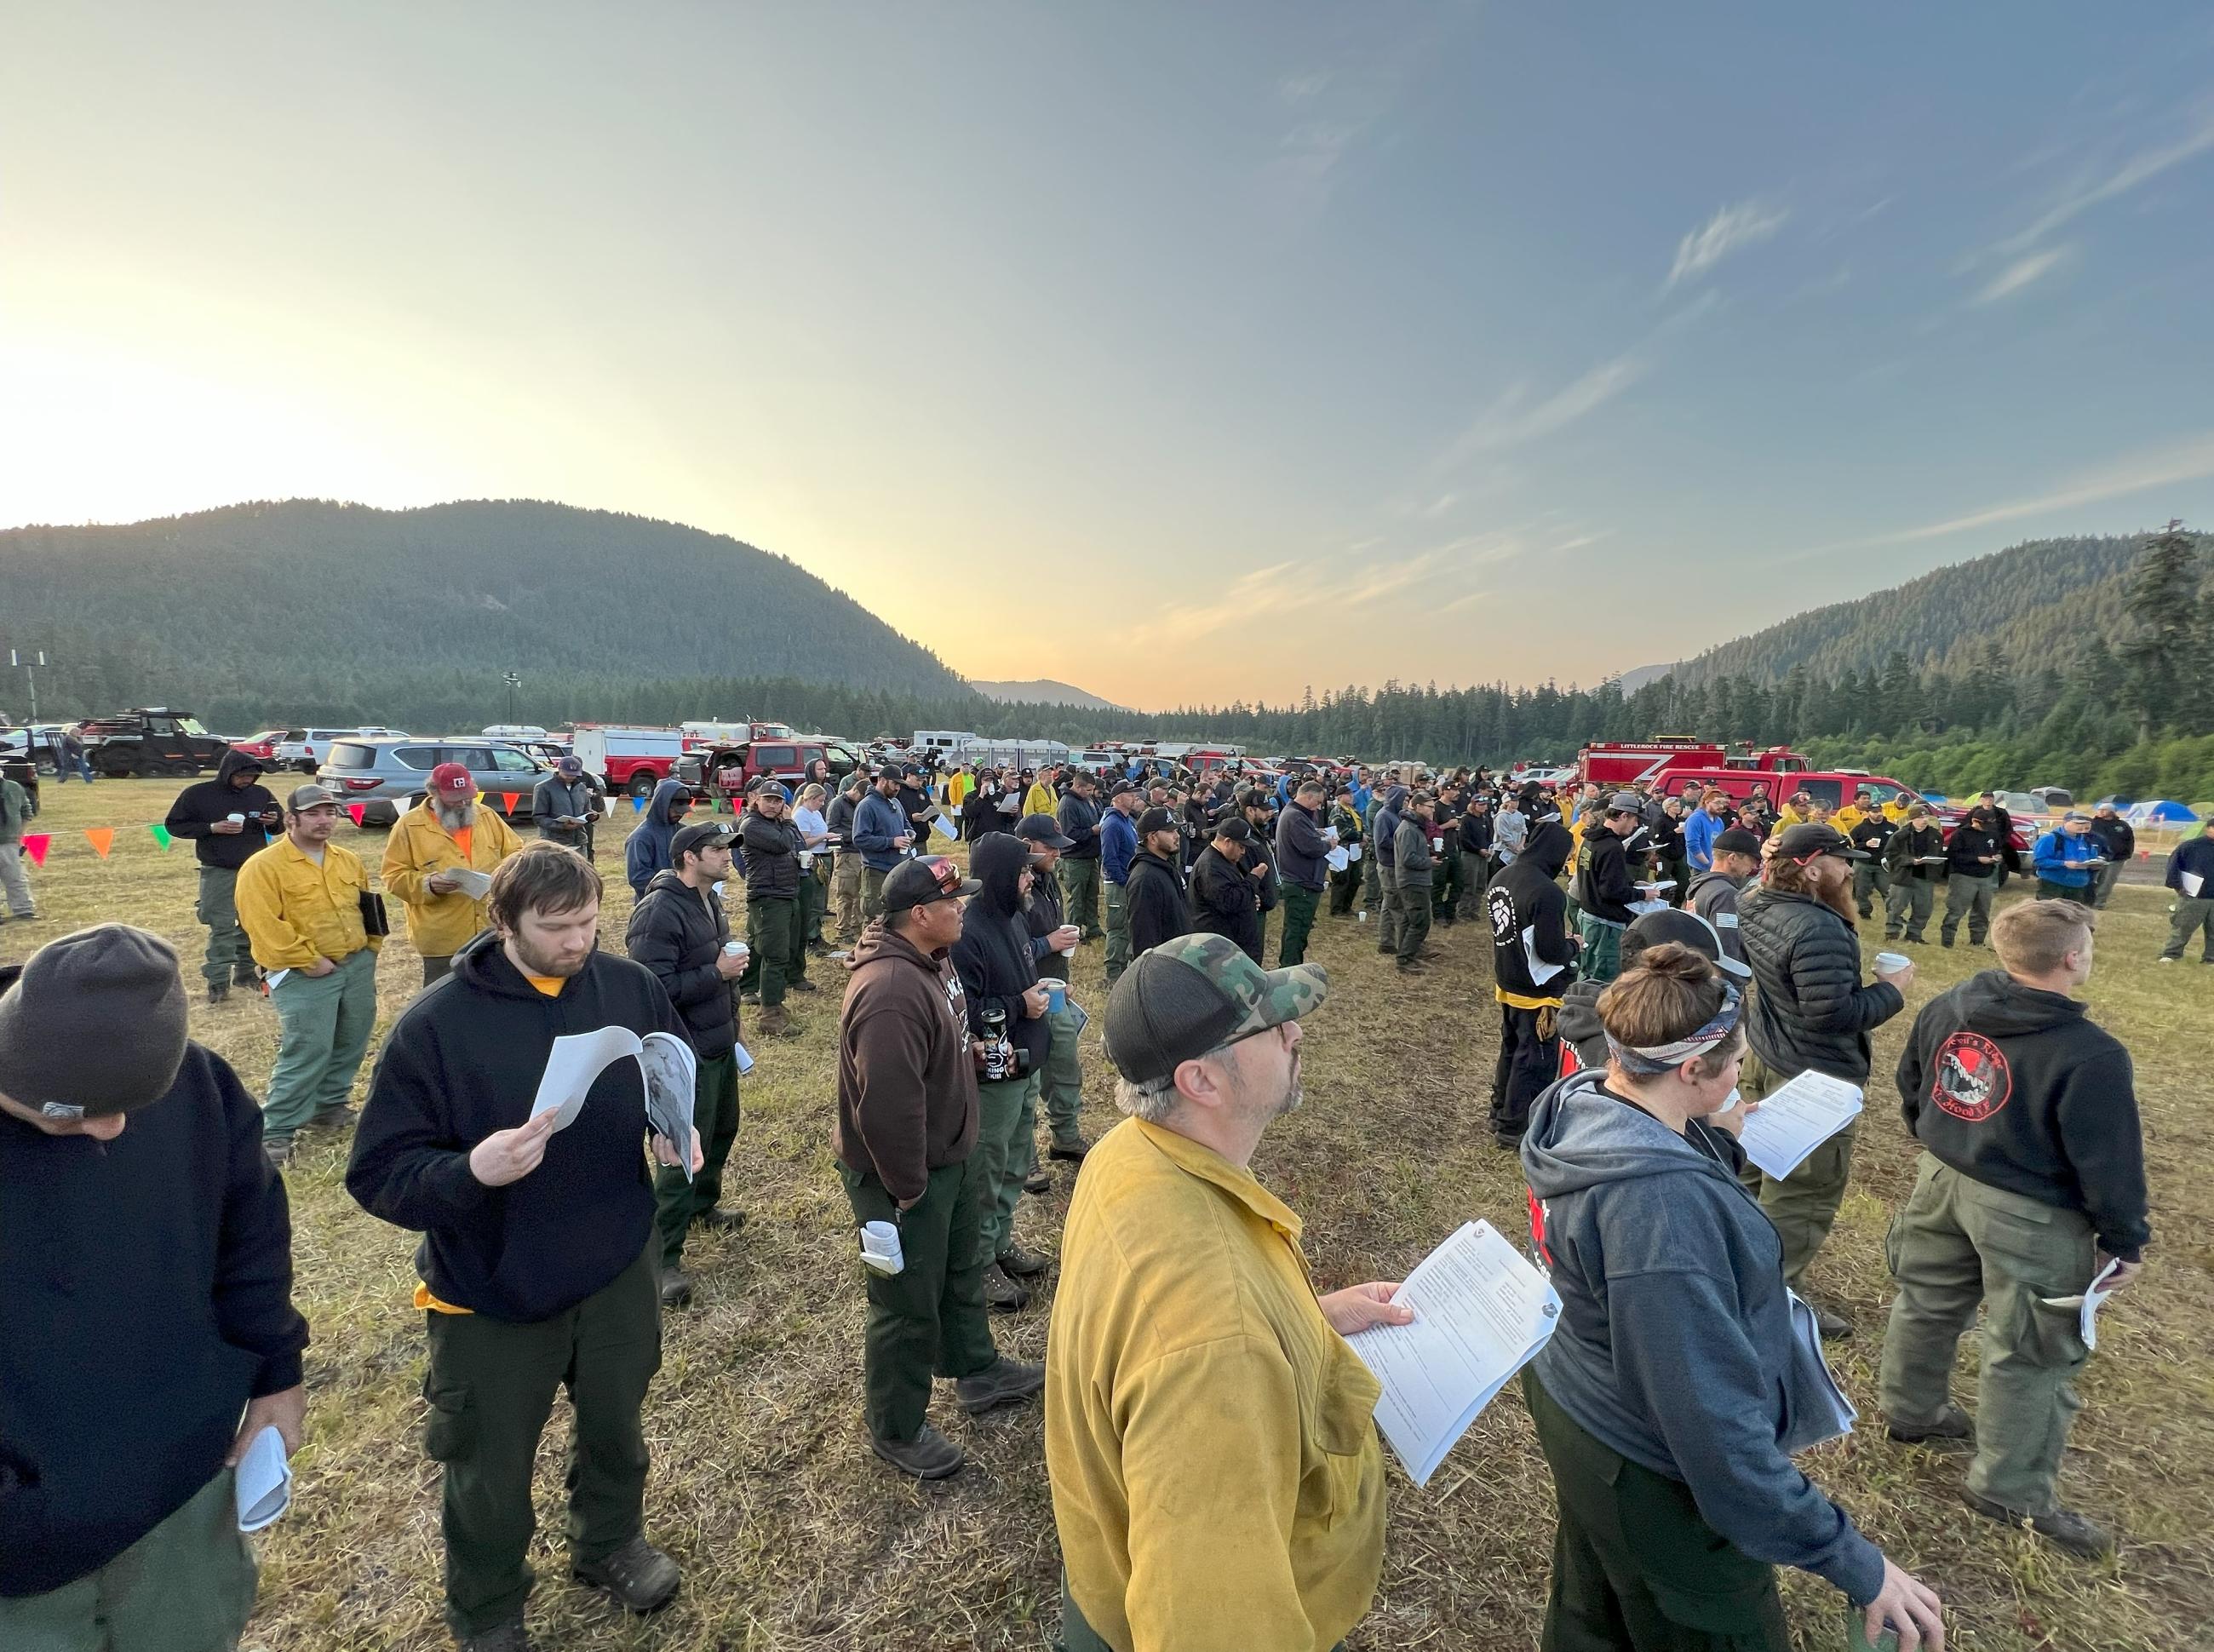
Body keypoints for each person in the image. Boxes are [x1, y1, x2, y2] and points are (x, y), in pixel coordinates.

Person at [1520, 945, 1947, 1652]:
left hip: (1582, 1405)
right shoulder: (1660, 1213)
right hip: (1648, 1469)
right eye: (1737, 1061)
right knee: (1712, 1625)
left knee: (1599, 1605)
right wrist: (1858, 1565)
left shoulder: (1591, 1099)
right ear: (1691, 1070)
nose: (1744, 1073)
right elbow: (1710, 1426)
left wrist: (1708, 1135)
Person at [347, 844, 700, 1648]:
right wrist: (472, 1167)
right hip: (493, 1286)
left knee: (617, 1424)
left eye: (589, 922)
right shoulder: (437, 1025)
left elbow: (664, 1065)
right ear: (503, 922)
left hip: (615, 1261)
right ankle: (489, 1605)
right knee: (489, 1466)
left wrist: (671, 1128)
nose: (578, 943)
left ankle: (608, 1544)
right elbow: (378, 1173)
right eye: (556, 928)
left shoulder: (626, 985)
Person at [1047, 933, 1405, 1652]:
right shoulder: (1217, 1352)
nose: (1296, 1033)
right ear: (1200, 1082)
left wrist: (1308, 1321)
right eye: (1272, 1027)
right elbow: (1212, 1621)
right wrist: (1246, 1340)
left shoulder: (1131, 1152)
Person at [0, 925, 310, 1652]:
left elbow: (252, 1241)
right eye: (73, 1115)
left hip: (179, 1495)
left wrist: (277, 1372)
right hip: (21, 1551)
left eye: (135, 1108)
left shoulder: (199, 1087)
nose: (111, 1130)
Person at [1879, 898, 2146, 1561]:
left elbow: (1912, 1082)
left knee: (1927, 1299)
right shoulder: (2091, 1054)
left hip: (1942, 1179)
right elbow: (2109, 1159)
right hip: (2029, 1210)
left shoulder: (1950, 1004)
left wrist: (1939, 1138)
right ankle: (2011, 1488)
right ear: (2071, 958)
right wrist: (2125, 1239)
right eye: (2085, 942)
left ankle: (1910, 1409)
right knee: (2032, 1344)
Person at [834, 855, 1045, 1480]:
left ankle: (976, 1369)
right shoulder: (891, 992)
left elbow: (942, 1045)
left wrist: (972, 1053)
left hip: (950, 1155)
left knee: (960, 1270)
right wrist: (906, 1191)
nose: (964, 910)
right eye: (953, 903)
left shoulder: (934, 957)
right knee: (905, 1303)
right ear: (919, 915)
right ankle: (895, 1426)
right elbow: (886, 1109)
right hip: (906, 1174)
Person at [1740, 823, 1912, 1335]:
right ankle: (1769, 1305)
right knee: (1799, 1195)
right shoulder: (1817, 929)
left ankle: (1734, 1276)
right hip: (1812, 1079)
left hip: (1766, 1057)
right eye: (1842, 861)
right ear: (1813, 869)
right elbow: (1831, 1013)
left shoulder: (1756, 902)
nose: (1850, 870)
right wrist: (1892, 989)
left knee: (1751, 1176)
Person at [625, 820, 749, 1310]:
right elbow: (650, 990)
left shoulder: (710, 899)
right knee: (681, 1152)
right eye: (717, 849)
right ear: (689, 858)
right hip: (681, 1051)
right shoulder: (658, 911)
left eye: (726, 848)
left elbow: (719, 971)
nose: (725, 856)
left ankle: (704, 1205)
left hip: (716, 1039)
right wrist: (713, 973)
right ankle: (661, 1258)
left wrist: (735, 1016)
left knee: (721, 1129)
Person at [235, 784, 382, 1168]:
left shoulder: (347, 860)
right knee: (307, 1048)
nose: (324, 821)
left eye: (330, 813)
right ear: (291, 819)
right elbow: (263, 926)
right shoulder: (263, 867)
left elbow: (366, 906)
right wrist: (309, 961)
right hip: (305, 972)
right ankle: (276, 1130)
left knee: (352, 1040)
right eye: (314, 813)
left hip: (355, 965)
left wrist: (370, 949)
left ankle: (329, 1107)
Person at [953, 832, 1055, 1312]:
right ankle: (978, 1262)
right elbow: (964, 1009)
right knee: (987, 1169)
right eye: (1022, 871)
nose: (1031, 877)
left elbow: (1021, 969)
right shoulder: (968, 931)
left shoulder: (1015, 918)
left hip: (1026, 1059)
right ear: (999, 878)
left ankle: (999, 1242)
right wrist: (1020, 1004)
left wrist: (1041, 988)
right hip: (995, 1069)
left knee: (1015, 1163)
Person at [1556, 905, 1754, 1073]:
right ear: (1669, 977)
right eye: (1707, 980)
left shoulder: (1593, 1015)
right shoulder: (1638, 1058)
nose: (1714, 992)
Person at [385, 762, 525, 987]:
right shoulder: (409, 825)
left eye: (467, 795)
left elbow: (517, 852)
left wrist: (505, 875)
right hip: (442, 937)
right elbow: (393, 877)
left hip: (491, 927)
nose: (462, 802)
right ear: (433, 793)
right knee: (444, 998)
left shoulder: (487, 816)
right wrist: (428, 884)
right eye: (454, 797)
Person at [163, 749, 283, 1001]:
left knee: (252, 923)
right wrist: (211, 828)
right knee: (222, 925)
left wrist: (272, 821)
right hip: (218, 869)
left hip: (254, 869)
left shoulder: (260, 794)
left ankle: (246, 973)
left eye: (252, 776)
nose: (247, 781)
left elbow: (279, 824)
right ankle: (218, 982)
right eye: (242, 776)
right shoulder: (198, 794)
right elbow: (174, 825)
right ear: (228, 772)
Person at [1487, 819, 1576, 1149]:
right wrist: (1573, 945)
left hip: (1508, 977)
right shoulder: (1547, 892)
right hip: (1538, 991)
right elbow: (1551, 952)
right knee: (1535, 1058)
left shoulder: (1502, 875)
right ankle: (1515, 1127)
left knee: (1510, 1048)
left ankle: (1500, 1111)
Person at [1016, 813, 1090, 1181]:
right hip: (1024, 999)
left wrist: (1064, 978)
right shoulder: (1015, 888)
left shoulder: (1047, 882)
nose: (1057, 854)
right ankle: (1024, 1156)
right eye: (1050, 848)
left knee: (1065, 1067)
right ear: (1027, 845)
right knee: (1026, 1081)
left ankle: (1066, 1138)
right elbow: (1008, 949)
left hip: (1055, 992)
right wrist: (1049, 943)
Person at [737, 778, 811, 1035]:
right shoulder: (752, 825)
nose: (772, 805)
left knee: (779, 949)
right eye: (768, 799)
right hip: (768, 896)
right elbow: (782, 844)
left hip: (785, 893)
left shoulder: (775, 824)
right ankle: (769, 1014)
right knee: (775, 954)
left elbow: (792, 845)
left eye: (778, 801)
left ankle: (773, 1003)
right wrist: (790, 822)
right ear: (757, 799)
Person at [1570, 792, 1643, 983]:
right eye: (1635, 819)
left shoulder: (1590, 840)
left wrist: (1632, 883)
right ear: (1623, 816)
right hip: (1605, 924)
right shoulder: (1612, 847)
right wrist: (1643, 893)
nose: (1636, 825)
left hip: (1588, 915)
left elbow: (1597, 876)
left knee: (1586, 968)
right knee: (1602, 979)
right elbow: (1611, 891)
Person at [1188, 814, 1265, 964]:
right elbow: (1229, 902)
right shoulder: (1211, 866)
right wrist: (1253, 879)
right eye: (1241, 847)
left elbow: (1232, 892)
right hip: (1223, 954)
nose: (1243, 852)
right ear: (1228, 842)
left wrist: (1249, 899)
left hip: (1234, 947)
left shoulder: (1224, 860)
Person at [1686, 826, 1764, 970]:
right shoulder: (1725, 894)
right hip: (1718, 980)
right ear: (1732, 858)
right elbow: (1726, 947)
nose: (1754, 866)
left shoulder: (1701, 886)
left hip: (1700, 969)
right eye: (1751, 860)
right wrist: (1731, 986)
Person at [1273, 777, 1332, 967]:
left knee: (1298, 930)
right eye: (1318, 802)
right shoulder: (1296, 817)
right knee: (1296, 931)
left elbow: (1306, 839)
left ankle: (1291, 965)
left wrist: (1316, 832)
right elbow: (1310, 848)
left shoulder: (1296, 815)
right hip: (1301, 883)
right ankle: (1289, 968)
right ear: (1308, 797)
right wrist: (1328, 845)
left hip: (1301, 881)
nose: (1319, 807)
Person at [1124, 805, 1191, 959]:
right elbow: (1144, 938)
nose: (1177, 835)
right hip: (1162, 967)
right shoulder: (1145, 879)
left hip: (1178, 958)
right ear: (1152, 838)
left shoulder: (1167, 865)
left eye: (1176, 830)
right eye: (1169, 831)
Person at [853, 765, 915, 921]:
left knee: (895, 917)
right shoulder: (867, 806)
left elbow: (905, 824)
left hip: (897, 869)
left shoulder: (895, 802)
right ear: (882, 781)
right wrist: (891, 842)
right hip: (876, 871)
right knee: (876, 917)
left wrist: (910, 832)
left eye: (899, 785)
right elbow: (860, 839)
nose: (897, 788)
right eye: (894, 784)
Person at [1939, 804, 2005, 949]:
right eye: (1984, 824)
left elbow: (1998, 849)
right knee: (1957, 909)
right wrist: (1977, 859)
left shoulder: (1992, 834)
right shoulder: (1961, 834)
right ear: (1975, 821)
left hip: (1985, 877)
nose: (1987, 827)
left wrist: (1998, 857)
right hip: (1963, 877)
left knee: (1982, 911)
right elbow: (1953, 856)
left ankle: (1977, 941)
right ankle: (1947, 941)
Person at [1882, 804, 1947, 944]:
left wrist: (1936, 864)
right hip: (1903, 876)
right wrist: (1910, 860)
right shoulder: (1900, 835)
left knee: (1924, 908)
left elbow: (1940, 853)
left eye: (1926, 817)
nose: (1924, 820)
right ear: (1912, 819)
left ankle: (1914, 935)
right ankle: (1892, 933)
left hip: (1925, 876)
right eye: (1920, 817)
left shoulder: (1935, 835)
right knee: (1896, 906)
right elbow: (1890, 854)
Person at [1391, 790, 1438, 974]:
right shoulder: (1408, 829)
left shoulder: (1415, 827)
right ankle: (1405, 959)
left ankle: (1410, 953)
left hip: (1417, 880)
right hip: (1412, 881)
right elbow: (1407, 858)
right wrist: (1429, 862)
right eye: (1430, 807)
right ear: (1418, 807)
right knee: (1420, 921)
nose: (1432, 811)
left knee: (1408, 920)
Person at [1057, 770, 1106, 942]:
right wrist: (1091, 831)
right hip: (1075, 858)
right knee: (1077, 898)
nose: (1091, 793)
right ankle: (1073, 931)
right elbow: (1068, 834)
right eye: (1088, 790)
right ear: (1078, 786)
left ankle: (1093, 927)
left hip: (1090, 856)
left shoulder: (1087, 800)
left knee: (1092, 894)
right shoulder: (1067, 804)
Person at [623, 777, 692, 900]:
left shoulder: (683, 832)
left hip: (683, 900)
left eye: (682, 811)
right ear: (662, 805)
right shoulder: (640, 838)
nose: (680, 814)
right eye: (676, 810)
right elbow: (638, 877)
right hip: (654, 903)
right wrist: (674, 887)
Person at [1100, 781, 1141, 984]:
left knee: (1127, 927)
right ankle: (1113, 974)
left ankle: (1123, 969)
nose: (1134, 796)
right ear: (1117, 798)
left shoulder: (1128, 821)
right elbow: (1109, 859)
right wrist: (1125, 881)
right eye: (1129, 793)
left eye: (1134, 793)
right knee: (1118, 929)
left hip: (1127, 882)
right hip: (1118, 885)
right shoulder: (1112, 824)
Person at [2159, 815, 2214, 963]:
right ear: (2209, 828)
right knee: (2183, 926)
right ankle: (2171, 954)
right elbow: (2173, 866)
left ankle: (2210, 958)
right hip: (2194, 896)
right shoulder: (2190, 846)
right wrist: (2177, 885)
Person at [826, 771, 869, 943]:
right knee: (846, 894)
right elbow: (831, 829)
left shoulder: (861, 804)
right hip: (845, 854)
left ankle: (856, 928)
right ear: (856, 792)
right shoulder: (837, 804)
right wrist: (855, 834)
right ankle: (843, 931)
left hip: (862, 854)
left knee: (860, 893)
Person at [531, 755, 601, 856]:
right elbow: (539, 817)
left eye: (574, 775)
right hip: (555, 843)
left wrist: (589, 817)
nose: (570, 777)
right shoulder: (543, 788)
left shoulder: (581, 788)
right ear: (559, 769)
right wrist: (562, 826)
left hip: (580, 841)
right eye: (567, 774)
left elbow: (586, 809)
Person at [793, 782, 833, 949]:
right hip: (813, 859)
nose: (822, 804)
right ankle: (810, 938)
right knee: (814, 900)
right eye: (820, 801)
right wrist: (824, 836)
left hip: (823, 856)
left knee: (820, 900)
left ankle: (816, 934)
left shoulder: (814, 813)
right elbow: (804, 842)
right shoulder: (802, 815)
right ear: (811, 798)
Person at [2031, 812, 2100, 901]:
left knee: (2074, 913)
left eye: (2087, 824)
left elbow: (2092, 859)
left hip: (2079, 885)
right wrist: (2064, 864)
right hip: (2053, 884)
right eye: (2078, 823)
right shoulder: (2049, 839)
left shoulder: (2086, 841)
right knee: (2050, 913)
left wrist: (2095, 865)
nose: (2083, 826)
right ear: (2065, 822)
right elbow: (2039, 861)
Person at [1849, 802, 1899, 920]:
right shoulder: (1859, 829)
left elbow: (1899, 844)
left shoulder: (1892, 828)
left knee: (1888, 890)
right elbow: (1852, 846)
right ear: (1868, 813)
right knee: (1861, 890)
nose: (1878, 814)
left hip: (1883, 864)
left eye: (1880, 811)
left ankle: (1893, 914)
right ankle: (1865, 911)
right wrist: (1865, 844)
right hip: (1863, 863)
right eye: (1875, 812)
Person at [1428, 777, 1466, 926]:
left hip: (1452, 848)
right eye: (1454, 790)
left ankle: (1450, 911)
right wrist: (1447, 825)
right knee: (1439, 884)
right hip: (1440, 849)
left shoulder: (1452, 806)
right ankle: (1438, 915)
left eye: (1457, 790)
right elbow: (1432, 829)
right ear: (1444, 791)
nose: (1456, 793)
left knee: (1459, 882)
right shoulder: (1437, 807)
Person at [0, 763, 34, 923]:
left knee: (16, 878)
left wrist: (19, 835)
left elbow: (26, 811)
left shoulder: (14, 788)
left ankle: (24, 910)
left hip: (10, 842)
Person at [2084, 803, 2133, 909]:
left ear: (2112, 812)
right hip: (2095, 857)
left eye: (2104, 810)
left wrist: (2126, 854)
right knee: (2091, 880)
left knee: (2107, 882)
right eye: (2099, 809)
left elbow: (2130, 841)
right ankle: (2086, 902)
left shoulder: (2122, 826)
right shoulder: (2093, 824)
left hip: (2116, 859)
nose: (2100, 812)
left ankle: (2099, 903)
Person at [1976, 791, 2024, 887]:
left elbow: (2008, 829)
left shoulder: (2001, 812)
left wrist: (2002, 843)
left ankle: (1993, 886)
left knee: (1996, 863)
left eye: (1990, 799)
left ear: (1994, 800)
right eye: (1986, 799)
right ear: (1981, 800)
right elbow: (1968, 826)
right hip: (1979, 843)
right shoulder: (1975, 811)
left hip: (1996, 843)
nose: (1988, 801)